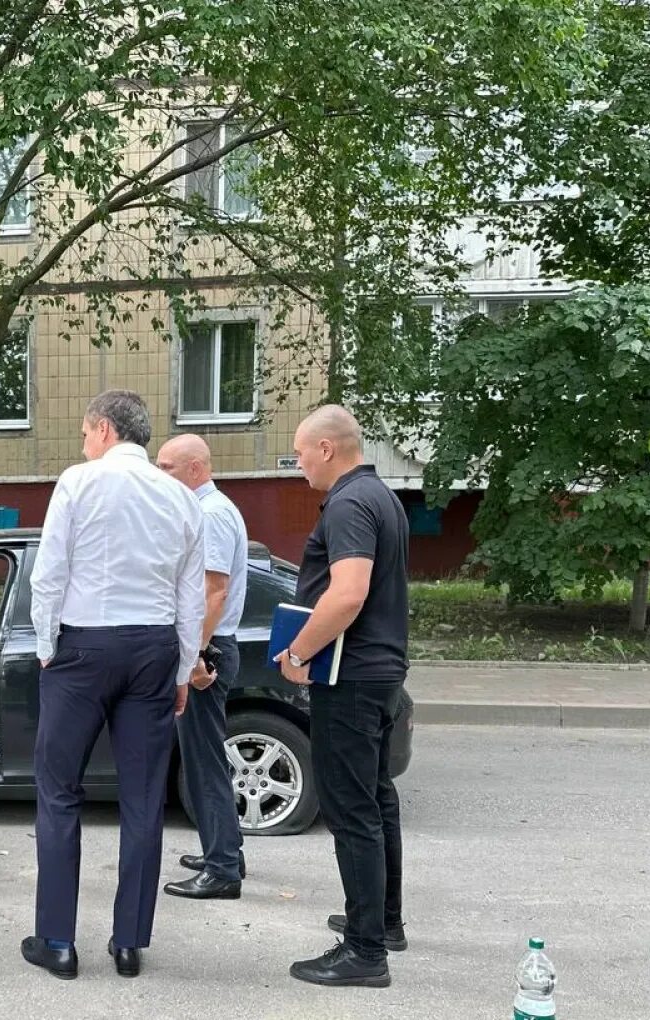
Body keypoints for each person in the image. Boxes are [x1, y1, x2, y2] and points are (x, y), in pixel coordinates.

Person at [22, 390, 205, 980]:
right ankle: (129, 943)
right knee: (144, 798)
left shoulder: (78, 482)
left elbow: (50, 571)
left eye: (83, 431)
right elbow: (190, 595)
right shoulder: (181, 497)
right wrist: (181, 669)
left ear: (103, 429)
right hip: (152, 647)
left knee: (58, 791)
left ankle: (56, 941)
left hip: (84, 645)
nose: (82, 442)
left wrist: (47, 647)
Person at [272, 405, 410, 988]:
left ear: (327, 448)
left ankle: (364, 952)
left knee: (352, 811)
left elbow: (347, 594)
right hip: (379, 673)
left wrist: (299, 653)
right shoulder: (382, 496)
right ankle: (384, 922)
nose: (298, 463)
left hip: (349, 677)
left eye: (301, 452)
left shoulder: (350, 503)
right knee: (376, 800)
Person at [155, 434, 248, 900]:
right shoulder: (212, 509)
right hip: (212, 646)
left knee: (203, 764)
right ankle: (226, 847)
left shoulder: (210, 515)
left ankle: (222, 870)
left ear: (195, 469)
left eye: (167, 467)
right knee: (207, 757)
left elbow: (214, 593)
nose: (160, 475)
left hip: (208, 651)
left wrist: (193, 656)